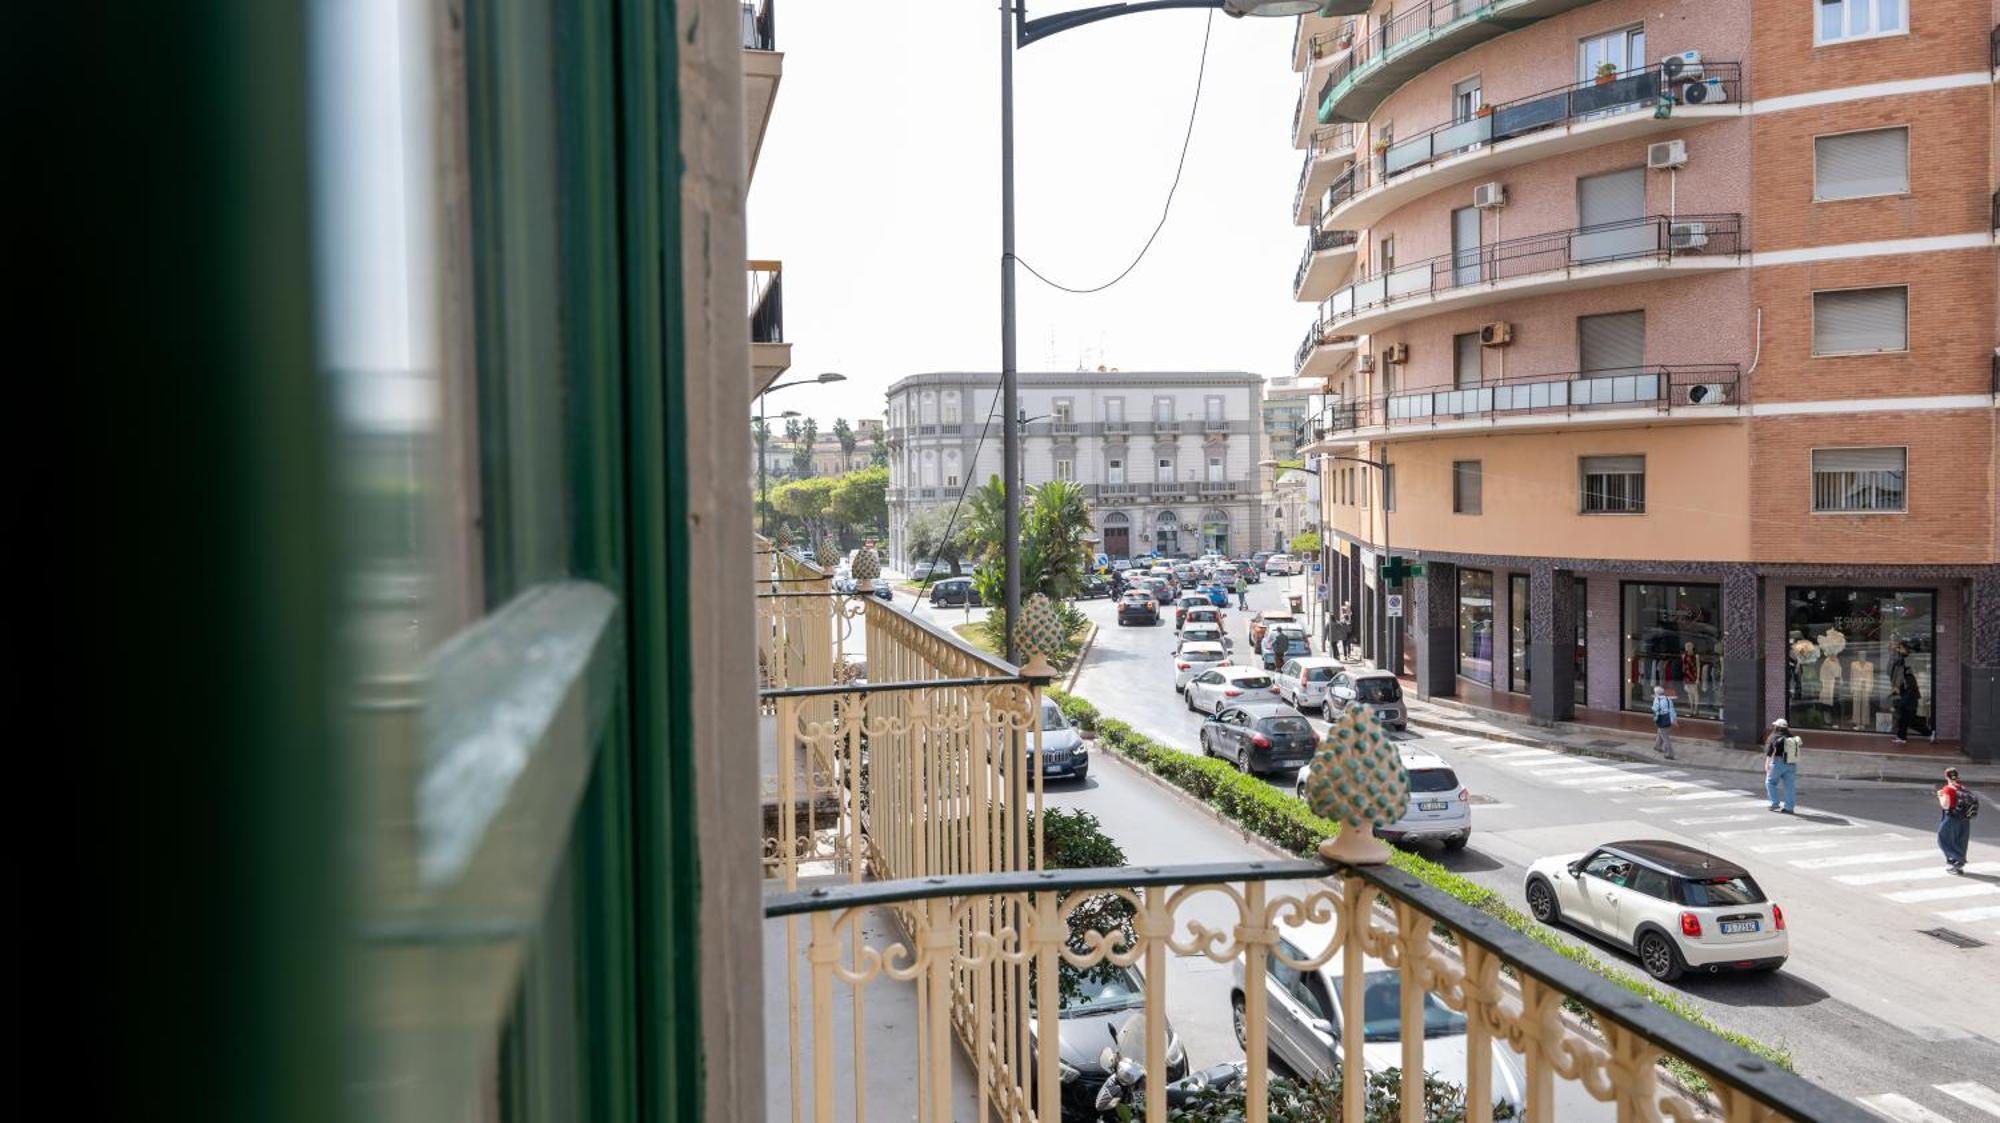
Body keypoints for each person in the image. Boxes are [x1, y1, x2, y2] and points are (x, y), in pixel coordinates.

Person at [1937, 767, 1974, 874]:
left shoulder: (1947, 789)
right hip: (1964, 819)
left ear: (1946, 776)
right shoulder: (1962, 787)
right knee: (1960, 840)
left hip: (1951, 818)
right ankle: (1958, 864)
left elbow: (1945, 805)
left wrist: (1940, 795)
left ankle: (1956, 862)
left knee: (1943, 839)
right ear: (1957, 776)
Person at [1763, 718, 1800, 814]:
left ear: (1777, 727)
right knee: (1789, 786)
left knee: (1770, 782)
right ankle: (1789, 808)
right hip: (1791, 763)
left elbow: (1770, 751)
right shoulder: (1791, 737)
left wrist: (1767, 763)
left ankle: (1775, 803)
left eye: (1775, 725)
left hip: (1778, 762)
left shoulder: (1775, 736)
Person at [1893, 666, 1921, 744]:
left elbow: (1908, 693)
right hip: (1909, 704)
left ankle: (1901, 737)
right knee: (1903, 721)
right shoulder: (1908, 678)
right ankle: (1900, 737)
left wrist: (1901, 702)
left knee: (1905, 721)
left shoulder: (1909, 678)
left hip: (1909, 705)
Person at [1649, 686, 1677, 760]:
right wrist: (1673, 719)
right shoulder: (1668, 699)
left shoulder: (1657, 700)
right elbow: (1672, 709)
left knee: (1665, 737)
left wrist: (1655, 719)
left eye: (1655, 692)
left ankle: (1670, 753)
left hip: (1661, 719)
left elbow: (1655, 710)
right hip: (1668, 719)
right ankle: (1657, 746)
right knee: (1660, 732)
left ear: (1656, 693)